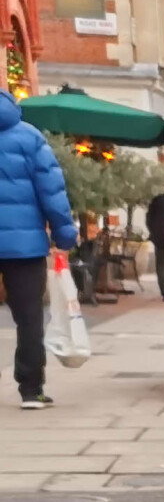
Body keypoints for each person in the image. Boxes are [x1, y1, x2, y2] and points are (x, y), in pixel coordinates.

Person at [0, 93, 78, 409]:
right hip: (24, 247)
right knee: (29, 318)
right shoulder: (29, 137)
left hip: (26, 244)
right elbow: (52, 191)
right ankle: (31, 389)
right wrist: (65, 233)